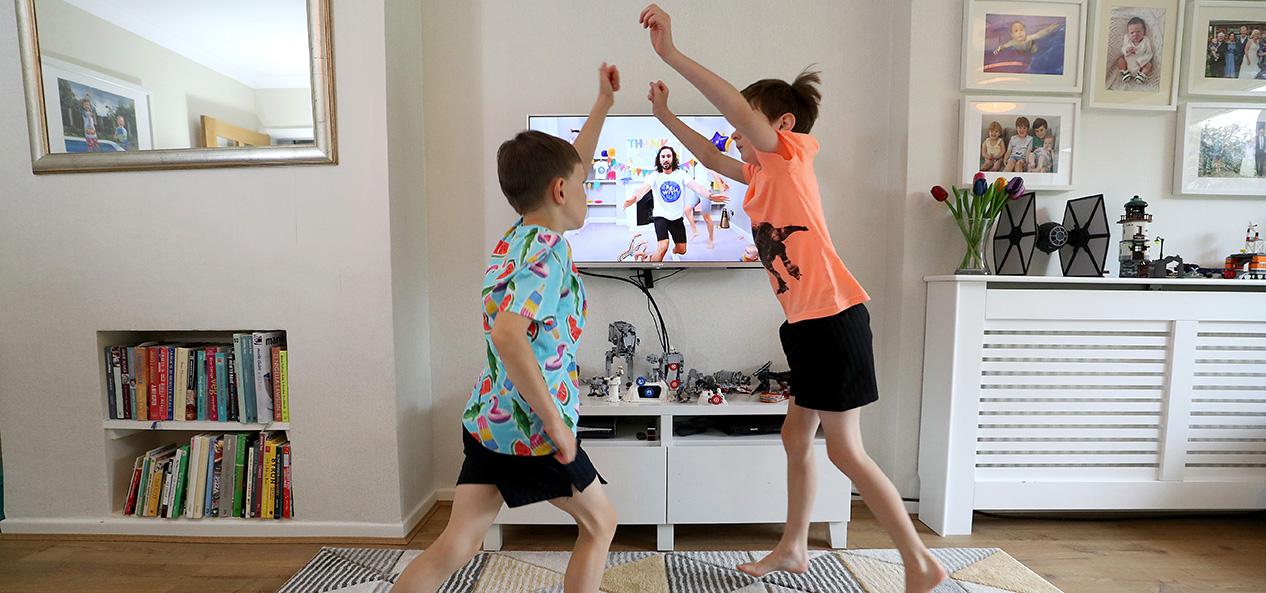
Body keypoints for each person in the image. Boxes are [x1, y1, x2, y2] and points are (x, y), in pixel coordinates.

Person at [637, 5, 947, 592]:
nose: (736, 133)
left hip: (832, 318)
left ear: (779, 124)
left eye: (746, 123)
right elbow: (707, 156)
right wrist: (663, 114)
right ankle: (795, 547)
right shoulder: (760, 177)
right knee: (795, 435)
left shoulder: (788, 156)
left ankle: (919, 560)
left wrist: (671, 55)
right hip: (808, 323)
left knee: (846, 452)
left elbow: (734, 113)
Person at [391, 63, 621, 593]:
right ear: (561, 191)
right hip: (531, 431)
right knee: (601, 521)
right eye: (582, 184)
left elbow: (570, 165)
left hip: (489, 419)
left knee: (459, 542)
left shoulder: (516, 237)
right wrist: (558, 428)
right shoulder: (549, 250)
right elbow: (509, 336)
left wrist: (603, 104)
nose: (588, 189)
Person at [621, 145, 723, 261]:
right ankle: (652, 266)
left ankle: (669, 253)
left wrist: (710, 195)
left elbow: (697, 186)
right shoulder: (655, 175)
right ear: (659, 160)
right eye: (663, 156)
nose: (665, 159)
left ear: (673, 159)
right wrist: (634, 198)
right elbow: (643, 189)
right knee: (663, 246)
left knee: (682, 250)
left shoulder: (681, 174)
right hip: (661, 216)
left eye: (668, 156)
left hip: (676, 218)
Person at [992, 20, 1062, 72]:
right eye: (1016, 31)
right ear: (1012, 35)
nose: (1019, 32)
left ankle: (1032, 52)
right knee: (1020, 54)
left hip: (1030, 46)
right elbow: (1004, 46)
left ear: (1025, 31)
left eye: (1021, 30)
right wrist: (999, 49)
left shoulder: (1028, 38)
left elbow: (1038, 35)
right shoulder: (1012, 42)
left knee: (1035, 50)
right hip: (1021, 49)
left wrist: (1049, 29)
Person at [1116, 17, 1154, 84]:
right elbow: (1122, 49)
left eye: (1138, 32)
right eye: (1132, 32)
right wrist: (1126, 50)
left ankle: (1141, 74)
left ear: (1144, 32)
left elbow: (1149, 53)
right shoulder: (1127, 39)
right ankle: (1125, 72)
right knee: (1120, 60)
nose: (1135, 34)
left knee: (1149, 64)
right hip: (1128, 63)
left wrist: (1141, 61)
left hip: (1140, 65)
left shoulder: (1146, 41)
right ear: (1128, 33)